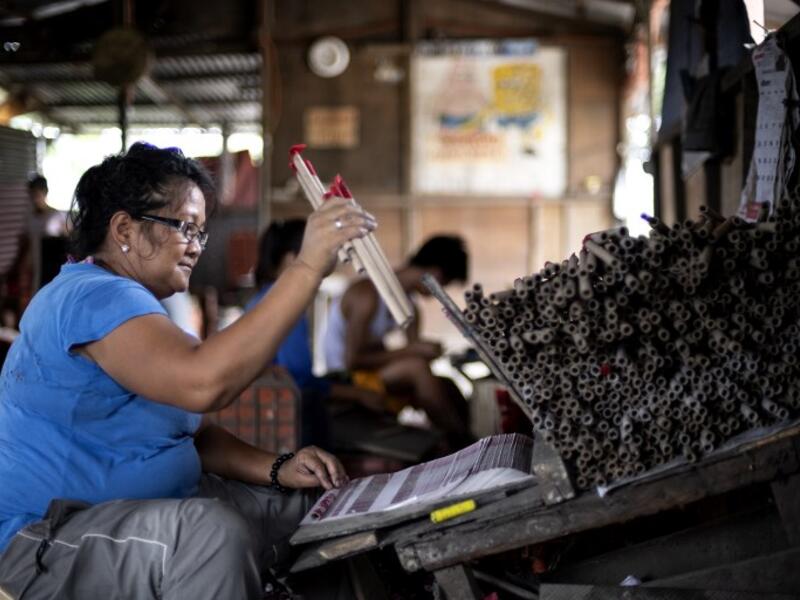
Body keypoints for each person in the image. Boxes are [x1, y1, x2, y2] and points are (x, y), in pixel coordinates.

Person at [0, 142, 375, 599]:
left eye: (202, 233)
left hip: (130, 514)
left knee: (320, 509)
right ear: (125, 229)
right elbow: (204, 382)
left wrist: (278, 467)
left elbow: (185, 437)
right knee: (207, 534)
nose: (197, 247)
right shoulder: (89, 296)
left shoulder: (135, 308)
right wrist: (309, 264)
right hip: (47, 539)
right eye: (186, 228)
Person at [245, 219, 386, 449]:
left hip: (268, 405)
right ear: (293, 259)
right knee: (313, 402)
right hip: (280, 410)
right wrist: (358, 395)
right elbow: (299, 380)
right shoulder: (284, 304)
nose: (328, 267)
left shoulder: (264, 297)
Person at [322, 235, 471, 444]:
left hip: (371, 374)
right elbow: (352, 361)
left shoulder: (410, 307)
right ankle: (460, 444)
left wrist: (426, 351)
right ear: (435, 273)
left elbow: (414, 353)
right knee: (416, 368)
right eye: (443, 284)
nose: (440, 292)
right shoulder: (368, 294)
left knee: (446, 385)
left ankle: (468, 439)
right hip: (344, 376)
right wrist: (414, 351)